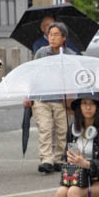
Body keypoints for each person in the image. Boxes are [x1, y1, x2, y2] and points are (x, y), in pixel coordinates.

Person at [31, 22, 76, 175]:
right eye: (50, 35)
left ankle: (58, 158)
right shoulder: (41, 53)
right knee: (45, 129)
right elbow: (33, 74)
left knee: (62, 131)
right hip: (42, 97)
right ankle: (46, 160)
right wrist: (29, 95)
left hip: (61, 99)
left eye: (56, 35)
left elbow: (74, 78)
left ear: (64, 37)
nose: (52, 38)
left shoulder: (70, 55)